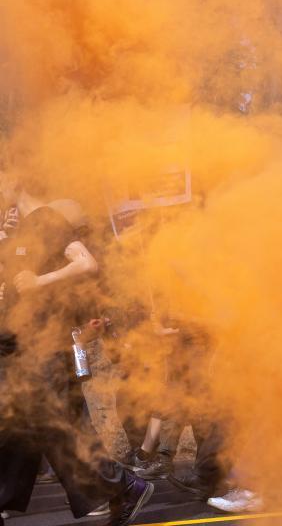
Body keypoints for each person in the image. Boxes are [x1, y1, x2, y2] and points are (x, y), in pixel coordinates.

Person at [0, 171, 152, 526]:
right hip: (22, 347)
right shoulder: (21, 230)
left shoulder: (46, 219)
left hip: (42, 347)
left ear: (14, 181)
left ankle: (124, 486)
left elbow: (86, 262)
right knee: (17, 426)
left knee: (57, 427)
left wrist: (40, 281)